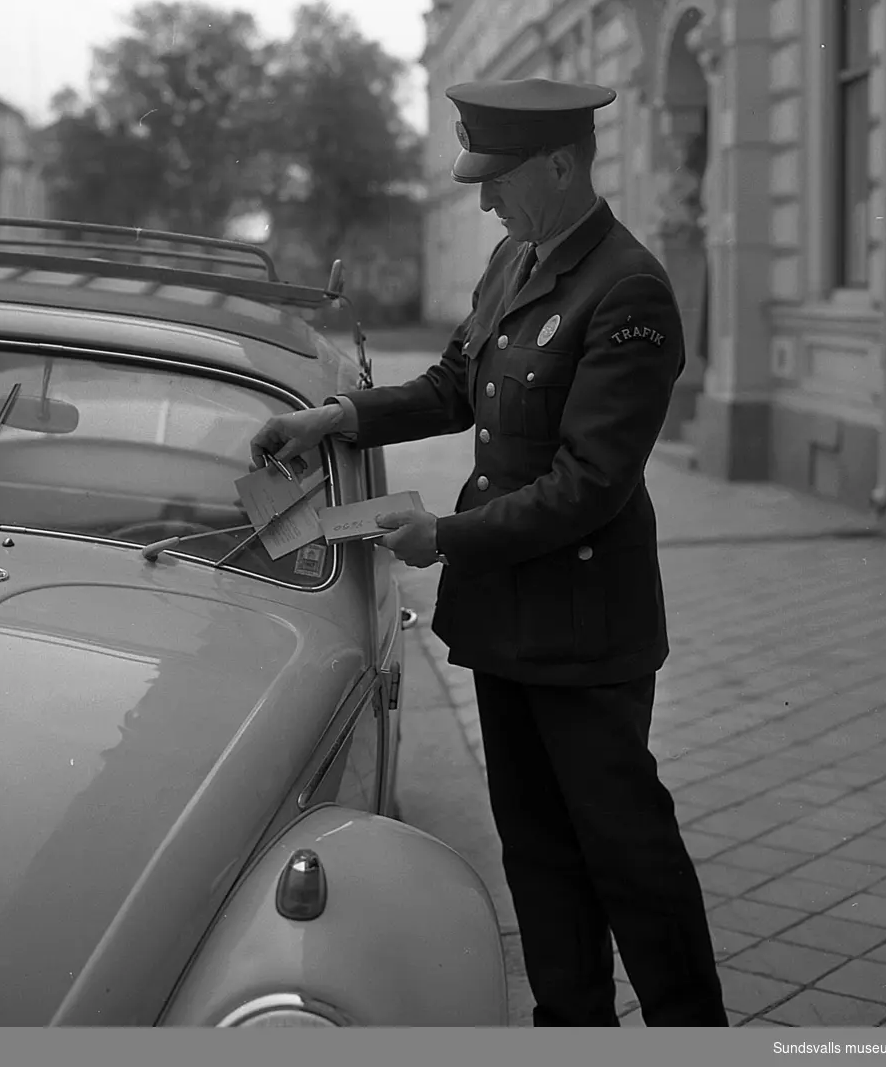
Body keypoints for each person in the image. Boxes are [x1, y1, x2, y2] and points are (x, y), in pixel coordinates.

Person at [249, 77, 727, 1028]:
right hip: (510, 616)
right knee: (539, 853)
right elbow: (455, 383)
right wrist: (340, 417)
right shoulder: (518, 257)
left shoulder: (625, 289)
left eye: (498, 177)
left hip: (587, 634)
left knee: (629, 859)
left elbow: (592, 482)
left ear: (558, 163)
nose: (483, 199)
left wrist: (444, 538)